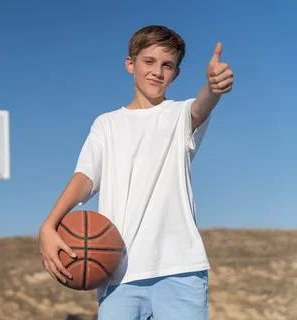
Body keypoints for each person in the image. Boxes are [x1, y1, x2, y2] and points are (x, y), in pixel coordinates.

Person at [39, 25, 233, 320]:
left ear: (176, 74)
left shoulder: (179, 115)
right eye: (149, 61)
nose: (157, 71)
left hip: (179, 268)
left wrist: (213, 87)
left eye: (167, 65)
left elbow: (201, 108)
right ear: (130, 64)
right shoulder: (107, 124)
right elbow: (85, 178)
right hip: (118, 272)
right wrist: (49, 225)